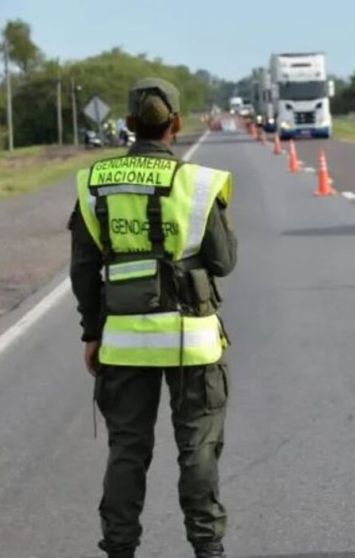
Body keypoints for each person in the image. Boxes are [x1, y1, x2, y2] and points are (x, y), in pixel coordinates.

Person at [69, 78, 237, 558]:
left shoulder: (95, 183)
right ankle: (207, 549)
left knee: (127, 450)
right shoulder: (198, 184)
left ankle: (119, 550)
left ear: (127, 124)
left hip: (122, 342)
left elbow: (83, 270)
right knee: (198, 448)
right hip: (193, 342)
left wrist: (92, 333)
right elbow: (223, 262)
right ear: (177, 124)